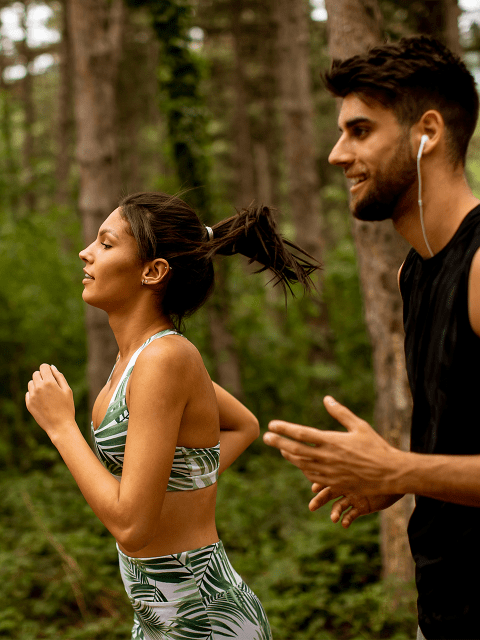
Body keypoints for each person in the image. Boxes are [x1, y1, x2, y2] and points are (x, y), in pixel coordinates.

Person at [263, 35, 480, 640]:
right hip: (440, 613)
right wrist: (395, 475)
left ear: (426, 132)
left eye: (359, 131)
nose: (336, 155)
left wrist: (400, 469)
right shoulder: (417, 269)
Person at [25, 192, 318, 640]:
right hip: (157, 620)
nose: (86, 252)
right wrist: (180, 484)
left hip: (205, 619)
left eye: (106, 244)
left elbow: (132, 527)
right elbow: (244, 425)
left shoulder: (165, 359)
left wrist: (61, 427)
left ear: (154, 271)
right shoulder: (137, 361)